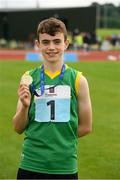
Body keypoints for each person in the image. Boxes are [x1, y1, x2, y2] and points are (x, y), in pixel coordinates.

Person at [12, 17, 92, 179]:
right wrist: (25, 106)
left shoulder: (78, 80)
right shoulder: (28, 78)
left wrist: (58, 140)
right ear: (38, 45)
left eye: (57, 41)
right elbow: (18, 127)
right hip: (31, 162)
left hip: (64, 165)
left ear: (66, 44)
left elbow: (86, 126)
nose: (51, 47)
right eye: (46, 42)